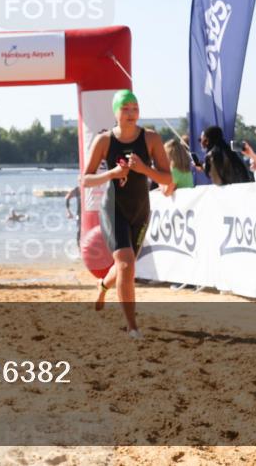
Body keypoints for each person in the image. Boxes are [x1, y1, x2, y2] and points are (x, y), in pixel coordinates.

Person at [81, 90, 171, 340]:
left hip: (140, 210)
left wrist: (144, 169)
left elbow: (167, 178)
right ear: (116, 113)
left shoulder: (151, 139)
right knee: (126, 263)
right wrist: (111, 174)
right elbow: (85, 180)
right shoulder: (104, 141)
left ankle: (101, 286)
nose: (131, 113)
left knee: (125, 267)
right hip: (114, 210)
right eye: (125, 108)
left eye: (135, 108)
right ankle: (132, 327)